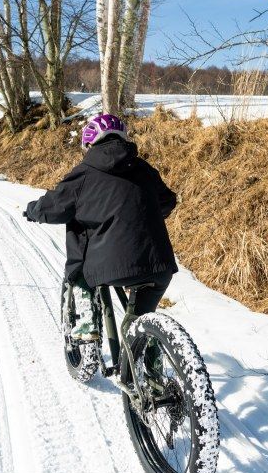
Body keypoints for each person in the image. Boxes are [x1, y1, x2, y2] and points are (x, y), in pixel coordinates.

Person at [24, 114, 178, 344]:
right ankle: (151, 368)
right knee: (141, 321)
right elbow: (167, 201)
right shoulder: (144, 168)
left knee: (80, 260)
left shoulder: (85, 172)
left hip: (112, 265)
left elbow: (54, 207)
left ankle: (85, 317)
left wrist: (33, 210)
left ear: (89, 143)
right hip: (160, 264)